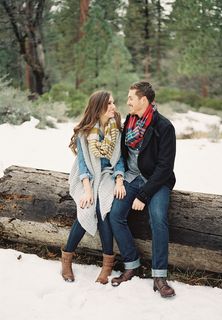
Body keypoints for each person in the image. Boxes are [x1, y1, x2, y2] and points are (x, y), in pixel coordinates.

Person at [109, 81, 176, 298]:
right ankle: (131, 263)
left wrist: (144, 194)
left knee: (157, 217)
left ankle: (159, 276)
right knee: (115, 215)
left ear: (143, 100)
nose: (127, 102)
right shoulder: (129, 121)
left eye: (131, 98)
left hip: (155, 180)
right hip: (131, 177)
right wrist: (120, 180)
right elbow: (122, 155)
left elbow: (165, 167)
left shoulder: (164, 126)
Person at [61, 90, 126, 284]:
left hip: (108, 175)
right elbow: (83, 164)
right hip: (86, 177)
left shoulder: (116, 130)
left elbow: (120, 159)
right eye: (109, 104)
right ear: (98, 109)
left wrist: (120, 180)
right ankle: (66, 259)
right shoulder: (84, 133)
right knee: (86, 207)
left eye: (113, 103)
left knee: (103, 208)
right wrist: (88, 189)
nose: (113, 107)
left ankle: (107, 265)